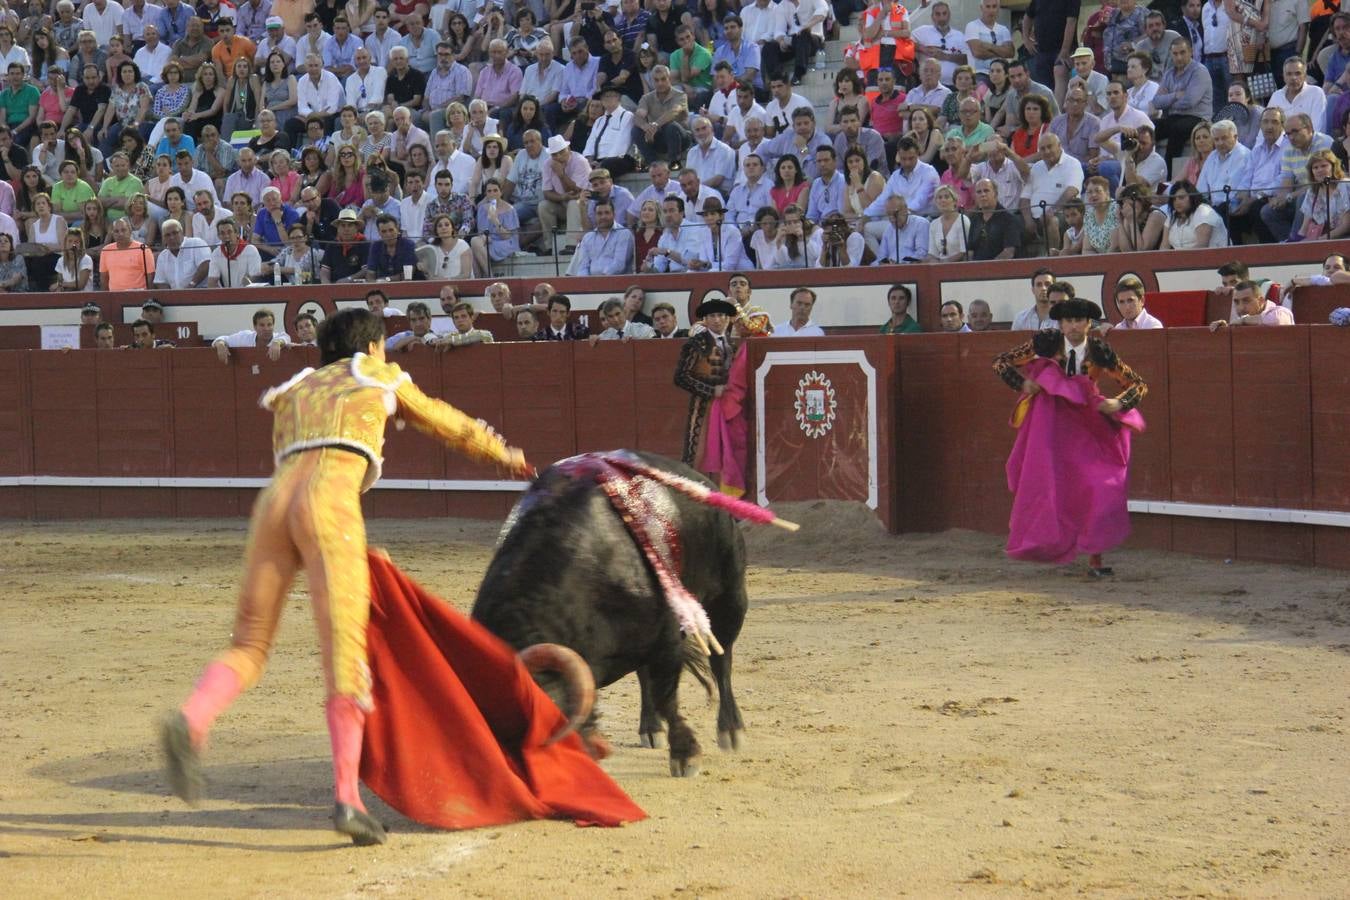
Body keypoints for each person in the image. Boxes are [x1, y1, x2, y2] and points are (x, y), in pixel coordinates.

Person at [162, 307, 531, 846]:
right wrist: (506, 455)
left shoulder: (295, 388)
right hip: (329, 501)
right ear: (374, 347)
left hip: (273, 503)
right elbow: (448, 422)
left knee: (249, 643)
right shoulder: (379, 374)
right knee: (344, 654)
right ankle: (347, 798)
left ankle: (193, 719)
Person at [993, 297, 1148, 577]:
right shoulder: (1045, 343)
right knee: (1048, 484)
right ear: (1060, 324)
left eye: (1078, 321)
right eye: (1067, 321)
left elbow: (1138, 384)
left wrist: (1118, 403)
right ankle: (1048, 545)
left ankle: (1096, 560)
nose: (1073, 326)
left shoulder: (1100, 351)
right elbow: (1001, 362)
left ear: (1089, 324)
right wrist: (1023, 383)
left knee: (1097, 487)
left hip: (1087, 427)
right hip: (1050, 425)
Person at [674, 294, 736, 469]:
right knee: (698, 451)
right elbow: (680, 377)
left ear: (728, 319)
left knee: (727, 451)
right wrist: (710, 390)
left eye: (722, 315)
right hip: (703, 407)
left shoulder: (732, 343)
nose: (717, 320)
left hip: (729, 407)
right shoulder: (697, 343)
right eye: (712, 316)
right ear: (705, 320)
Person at [1210, 279, 1296, 329]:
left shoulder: (1280, 311)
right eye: (1236, 302)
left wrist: (1244, 320)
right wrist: (1225, 329)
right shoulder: (1242, 319)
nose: (1241, 307)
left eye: (1246, 301)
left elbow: (1277, 320)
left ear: (1261, 300)